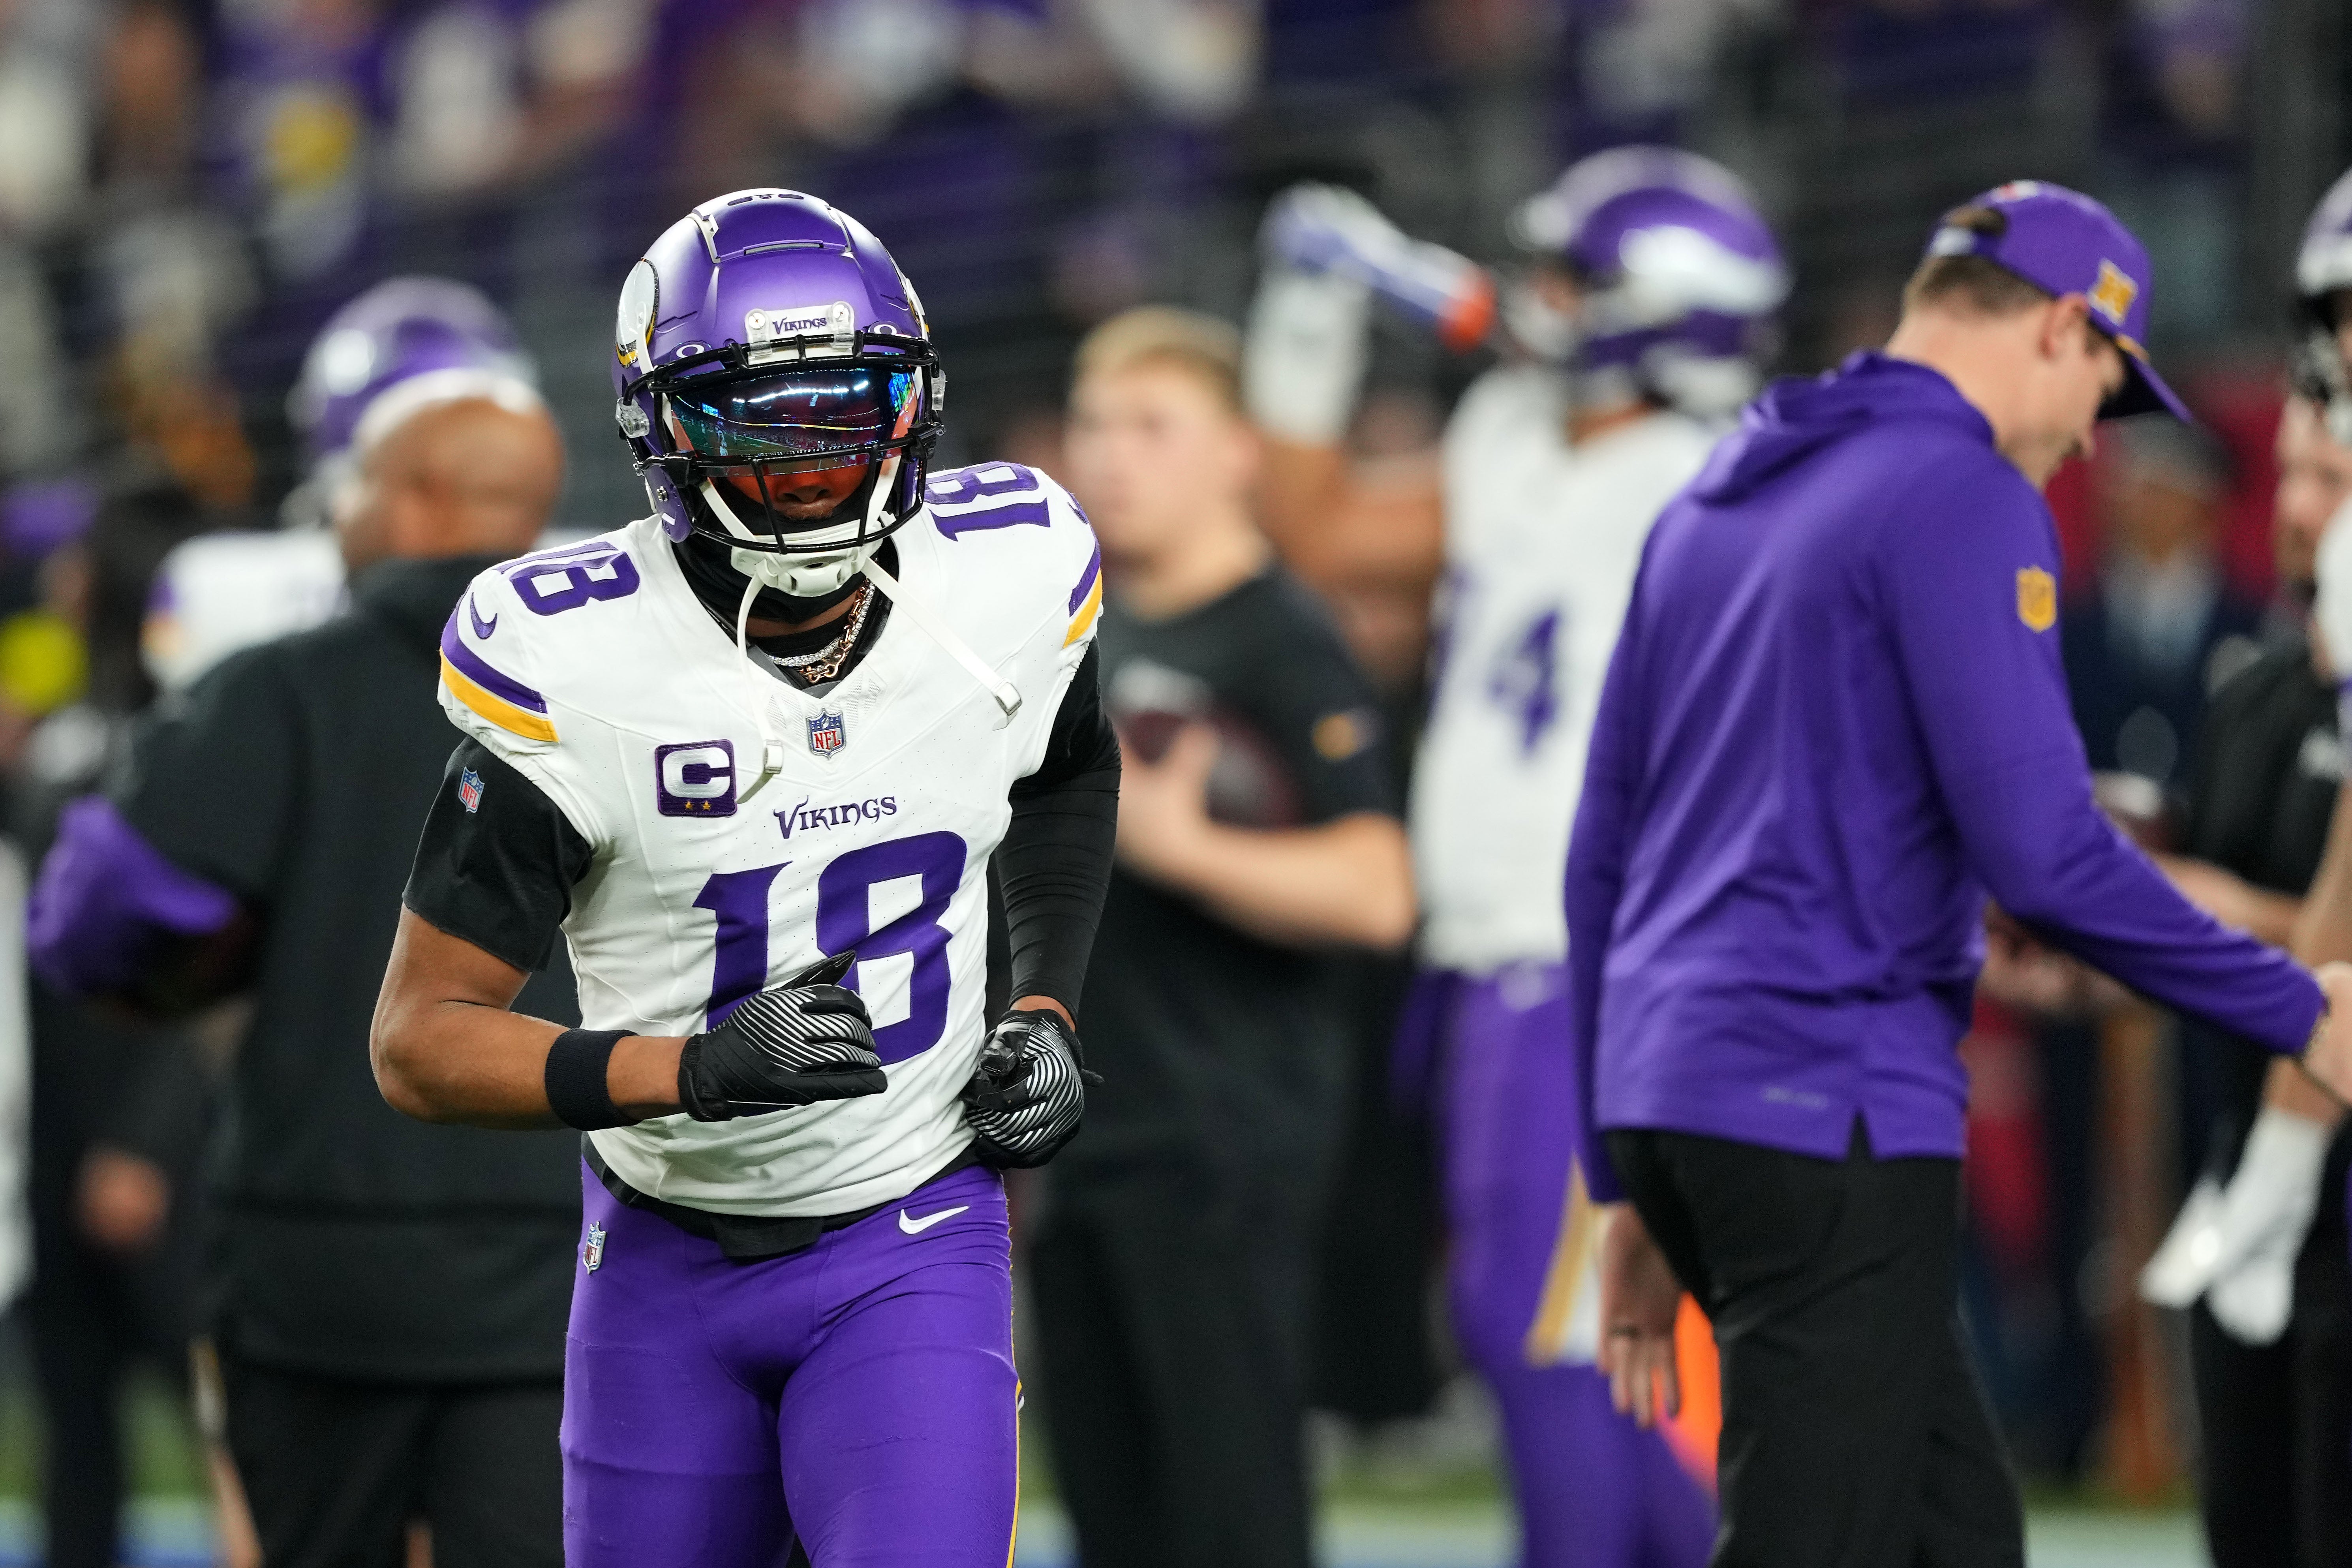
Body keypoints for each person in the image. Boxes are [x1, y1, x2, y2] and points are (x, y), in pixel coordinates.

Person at [1569, 180, 2352, 1568]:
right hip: (1827, 1098)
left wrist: (1624, 1170)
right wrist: (2302, 1008)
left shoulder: (1717, 490)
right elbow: (2046, 857)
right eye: (2107, 389)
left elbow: (1603, 851)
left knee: (1959, 1540)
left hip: (1681, 1092)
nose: (2085, 446)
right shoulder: (1961, 490)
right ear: (2064, 326)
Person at [366, 188, 1117, 1567]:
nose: (819, 464)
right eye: (764, 425)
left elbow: (1068, 772)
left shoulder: (1007, 575)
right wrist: (687, 1069)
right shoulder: (581, 665)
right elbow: (419, 1044)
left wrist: (1047, 1009)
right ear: (660, 430)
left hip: (912, 1230)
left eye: (848, 415)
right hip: (664, 1256)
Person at [1245, 146, 1792, 1567]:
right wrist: (1313, 319)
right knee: (1527, 1319)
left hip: (1609, 958)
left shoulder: (1721, 478)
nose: (1538, 293)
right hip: (1491, 951)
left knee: (1554, 1325)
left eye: (1575, 275)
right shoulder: (1514, 435)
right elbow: (1319, 533)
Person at [27, 359, 577, 1567]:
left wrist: (181, 979)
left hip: (313, 1268)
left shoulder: (277, 689)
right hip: (568, 1265)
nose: (338, 515)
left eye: (354, 488)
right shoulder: (627, 695)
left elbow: (89, 926)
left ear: (417, 496)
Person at [1032, 305, 1414, 1568]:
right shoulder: (1077, 632)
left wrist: (1185, 846)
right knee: (1114, 1512)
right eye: (1096, 423)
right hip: (1087, 1135)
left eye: (1153, 425)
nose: (1114, 455)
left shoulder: (1283, 636)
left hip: (1222, 1141)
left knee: (1230, 1514)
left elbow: (1377, 888)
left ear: (1239, 452)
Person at [2132, 389, 2352, 1568]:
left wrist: (2205, 913)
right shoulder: (2255, 693)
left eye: (2336, 478)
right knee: (2251, 1529)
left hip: (2337, 1194)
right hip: (2234, 1172)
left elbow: (2227, 916)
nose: (2308, 510)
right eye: (2298, 476)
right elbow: (2187, 943)